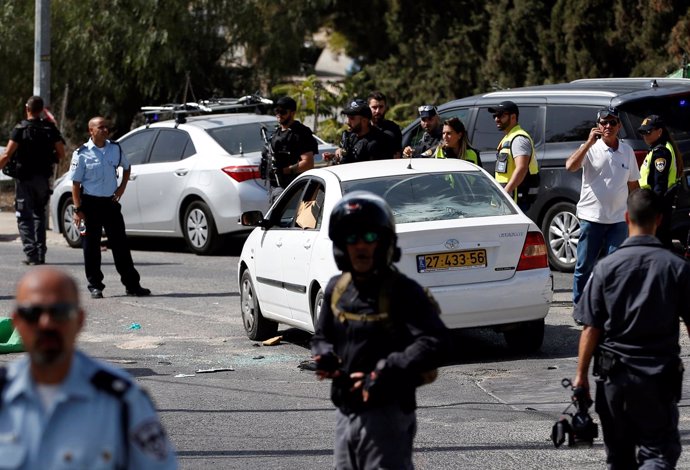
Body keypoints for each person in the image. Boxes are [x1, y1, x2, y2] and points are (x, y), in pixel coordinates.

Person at [311, 191, 448, 470]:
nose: (360, 246)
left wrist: (385, 371)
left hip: (387, 414)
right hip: (345, 412)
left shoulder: (403, 291)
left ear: (383, 242)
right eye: (352, 239)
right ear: (341, 247)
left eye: (369, 238)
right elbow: (322, 336)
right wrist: (324, 356)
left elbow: (436, 342)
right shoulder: (337, 288)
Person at [2, 266, 177, 469]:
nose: (46, 323)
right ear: (17, 322)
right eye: (33, 313)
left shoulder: (123, 402)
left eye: (60, 312)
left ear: (80, 320)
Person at [572, 189, 690, 469]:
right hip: (658, 379)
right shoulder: (677, 268)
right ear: (659, 220)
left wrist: (581, 377)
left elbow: (591, 328)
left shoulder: (604, 268)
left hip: (616, 382)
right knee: (658, 455)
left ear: (627, 218)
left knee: (619, 459)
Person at [68, 116, 151, 299]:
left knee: (121, 245)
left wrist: (121, 187)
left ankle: (132, 284)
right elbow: (75, 184)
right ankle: (95, 285)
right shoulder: (81, 153)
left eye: (107, 127)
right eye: (101, 127)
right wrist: (77, 209)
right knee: (91, 247)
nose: (105, 130)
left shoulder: (115, 148)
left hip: (110, 204)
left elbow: (127, 168)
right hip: (90, 204)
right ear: (91, 131)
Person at [565, 107, 640, 304]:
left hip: (618, 219)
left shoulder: (627, 151)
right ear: (598, 126)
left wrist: (639, 212)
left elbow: (633, 185)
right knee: (584, 265)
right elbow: (570, 166)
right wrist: (588, 143)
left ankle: (611, 305)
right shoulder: (590, 148)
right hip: (592, 218)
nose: (608, 126)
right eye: (604, 123)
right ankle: (580, 304)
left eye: (612, 122)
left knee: (615, 266)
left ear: (619, 125)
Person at [0, 96, 65, 265]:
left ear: (27, 108)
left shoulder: (21, 128)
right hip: (43, 178)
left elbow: (7, 154)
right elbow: (61, 152)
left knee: (23, 216)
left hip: (24, 179)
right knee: (39, 215)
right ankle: (41, 253)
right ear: (42, 109)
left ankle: (31, 255)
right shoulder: (50, 128)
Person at [637, 114, 683, 248]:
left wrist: (652, 210)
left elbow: (659, 185)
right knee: (662, 241)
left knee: (658, 243)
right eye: (642, 132)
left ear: (659, 132)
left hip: (657, 204)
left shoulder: (660, 153)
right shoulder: (661, 147)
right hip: (661, 204)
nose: (644, 135)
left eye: (648, 132)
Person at [263, 96, 317, 201]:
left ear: (292, 113)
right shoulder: (276, 133)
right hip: (275, 187)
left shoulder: (300, 133)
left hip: (292, 188)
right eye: (277, 111)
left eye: (282, 111)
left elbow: (308, 163)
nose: (279, 114)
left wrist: (284, 171)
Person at [488, 100, 539, 210]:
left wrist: (505, 194)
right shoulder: (509, 137)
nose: (497, 119)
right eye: (495, 116)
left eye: (501, 115)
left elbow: (522, 168)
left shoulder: (519, 139)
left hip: (515, 201)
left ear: (513, 117)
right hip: (508, 200)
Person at [323, 99, 394, 164]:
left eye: (352, 118)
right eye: (348, 117)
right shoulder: (352, 136)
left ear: (364, 120)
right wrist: (335, 156)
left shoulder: (377, 143)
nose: (347, 122)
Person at [368, 91, 402, 158]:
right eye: (374, 107)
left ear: (385, 107)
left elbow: (398, 154)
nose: (378, 111)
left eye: (381, 107)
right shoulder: (362, 129)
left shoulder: (393, 129)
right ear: (368, 108)